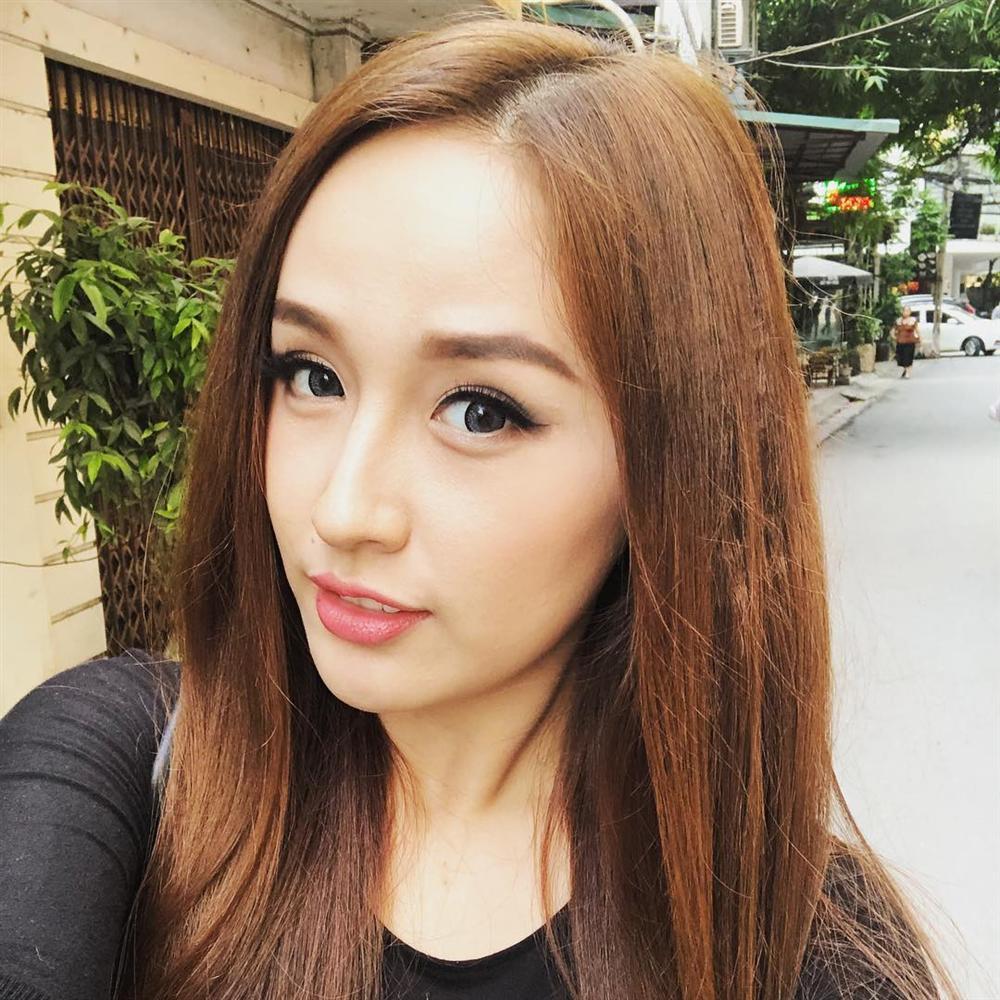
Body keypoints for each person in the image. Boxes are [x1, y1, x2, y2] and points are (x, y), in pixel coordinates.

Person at [0, 14, 960, 1000]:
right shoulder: (131, 772)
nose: (343, 509)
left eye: (480, 410)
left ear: (667, 467)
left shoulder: (791, 954)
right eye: (313, 375)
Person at [893, 305, 921, 378]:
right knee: (901, 358)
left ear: (910, 312)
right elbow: (893, 331)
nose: (906, 312)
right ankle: (905, 370)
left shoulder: (913, 320)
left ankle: (908, 372)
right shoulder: (898, 321)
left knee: (908, 357)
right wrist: (895, 338)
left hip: (910, 342)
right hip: (900, 342)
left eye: (908, 311)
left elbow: (917, 330)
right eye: (904, 310)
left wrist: (920, 339)